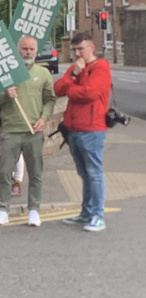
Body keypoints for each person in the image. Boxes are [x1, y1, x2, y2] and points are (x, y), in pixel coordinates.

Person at [0, 35, 55, 226]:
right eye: (24, 49)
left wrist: (44, 118)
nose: (28, 52)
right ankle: (2, 209)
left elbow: (50, 100)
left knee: (35, 173)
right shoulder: (7, 73)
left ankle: (34, 210)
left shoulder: (43, 73)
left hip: (34, 131)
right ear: (17, 51)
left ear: (36, 51)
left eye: (31, 49)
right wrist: (5, 94)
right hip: (10, 130)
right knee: (4, 172)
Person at [55, 32, 111, 232]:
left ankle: (98, 215)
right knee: (84, 173)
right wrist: (73, 75)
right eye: (74, 49)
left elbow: (89, 93)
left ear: (91, 48)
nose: (77, 53)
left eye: (81, 49)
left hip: (92, 128)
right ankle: (86, 212)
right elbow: (57, 89)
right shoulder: (75, 68)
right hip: (73, 128)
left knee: (94, 173)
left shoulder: (101, 67)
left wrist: (71, 88)